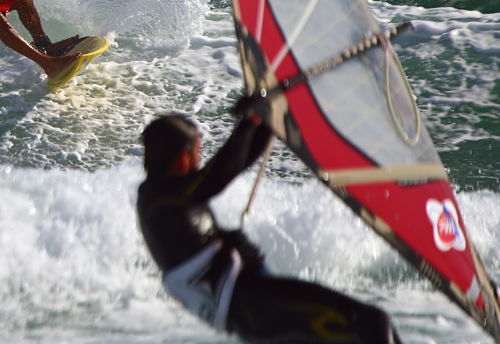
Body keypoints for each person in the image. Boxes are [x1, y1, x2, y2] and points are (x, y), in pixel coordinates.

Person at [136, 98, 403, 344]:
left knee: (373, 330)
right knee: (371, 322)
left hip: (252, 306)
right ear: (184, 157)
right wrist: (247, 124)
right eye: (198, 150)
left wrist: (266, 120)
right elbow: (216, 177)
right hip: (250, 305)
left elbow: (235, 165)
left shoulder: (164, 196)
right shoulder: (157, 198)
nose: (200, 157)